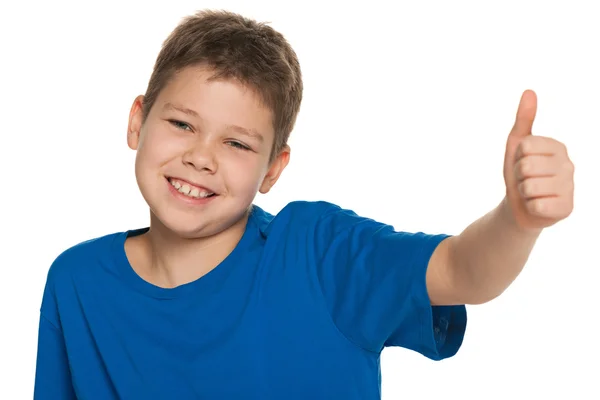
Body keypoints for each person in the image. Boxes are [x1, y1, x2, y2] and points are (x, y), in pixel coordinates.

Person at [33, 9, 575, 400]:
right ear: (137, 121)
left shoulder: (318, 253)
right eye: (181, 124)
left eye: (237, 143)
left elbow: (461, 269)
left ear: (273, 169)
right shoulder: (76, 281)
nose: (201, 158)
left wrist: (517, 220)